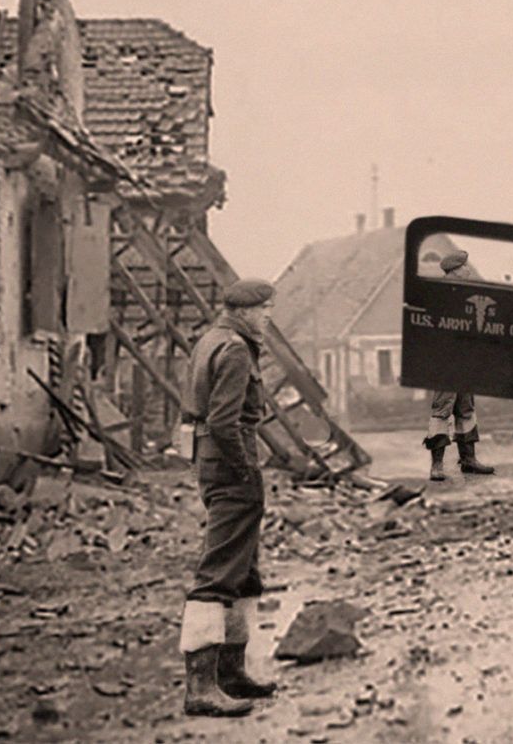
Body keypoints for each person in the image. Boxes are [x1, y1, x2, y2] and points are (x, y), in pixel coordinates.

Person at [177, 278, 280, 717]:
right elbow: (224, 421)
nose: (267, 318)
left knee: (242, 568)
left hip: (211, 461)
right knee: (220, 572)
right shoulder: (236, 348)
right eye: (263, 310)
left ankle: (231, 672)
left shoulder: (210, 340)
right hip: (229, 464)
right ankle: (201, 687)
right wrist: (246, 469)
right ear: (244, 312)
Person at [425, 251, 497, 482]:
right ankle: (436, 465)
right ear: (455, 270)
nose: (468, 270)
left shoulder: (467, 295)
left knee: (466, 410)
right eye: (465, 267)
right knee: (442, 412)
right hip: (446, 363)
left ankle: (468, 460)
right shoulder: (440, 295)